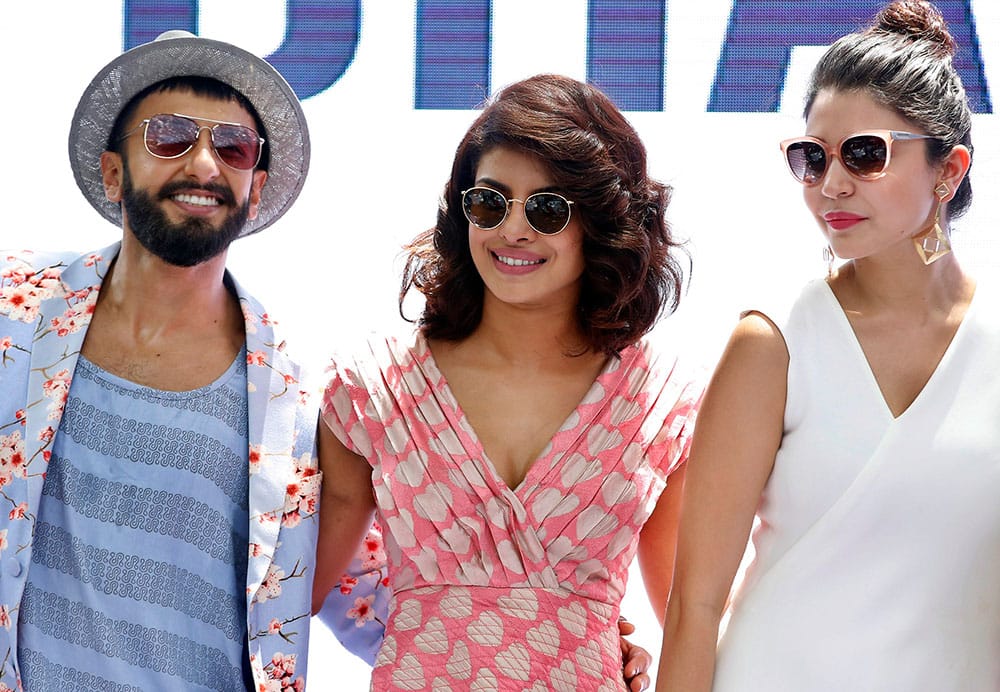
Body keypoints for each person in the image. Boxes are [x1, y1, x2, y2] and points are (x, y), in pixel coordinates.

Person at [312, 73, 703, 691]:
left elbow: (691, 619)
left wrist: (596, 636)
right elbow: (284, 592)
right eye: (489, 202)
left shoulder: (660, 404)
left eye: (547, 209)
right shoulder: (374, 388)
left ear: (601, 223)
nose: (512, 230)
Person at [656, 1, 998, 690]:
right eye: (811, 158)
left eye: (865, 154)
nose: (831, 184)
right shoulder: (772, 343)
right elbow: (694, 607)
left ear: (948, 170)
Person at [0, 30, 328, 690]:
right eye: (170, 136)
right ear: (114, 171)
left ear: (255, 188)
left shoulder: (291, 401)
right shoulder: (14, 311)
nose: (204, 165)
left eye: (233, 147)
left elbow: (383, 591)